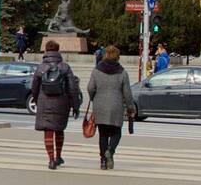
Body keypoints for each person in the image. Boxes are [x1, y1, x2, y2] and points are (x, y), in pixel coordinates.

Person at [29, 40, 81, 170]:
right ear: (58, 51)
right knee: (59, 129)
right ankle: (59, 156)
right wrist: (75, 105)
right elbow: (72, 88)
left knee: (48, 131)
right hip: (61, 102)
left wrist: (36, 100)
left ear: (46, 51)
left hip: (44, 102)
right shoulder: (65, 67)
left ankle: (51, 160)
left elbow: (34, 87)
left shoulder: (40, 67)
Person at [88, 45, 135, 170]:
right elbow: (127, 93)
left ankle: (103, 161)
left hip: (100, 105)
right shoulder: (122, 72)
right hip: (116, 106)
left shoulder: (96, 70)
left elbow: (90, 88)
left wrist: (94, 98)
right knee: (116, 132)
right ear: (118, 57)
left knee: (102, 134)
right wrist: (130, 107)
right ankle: (110, 150)